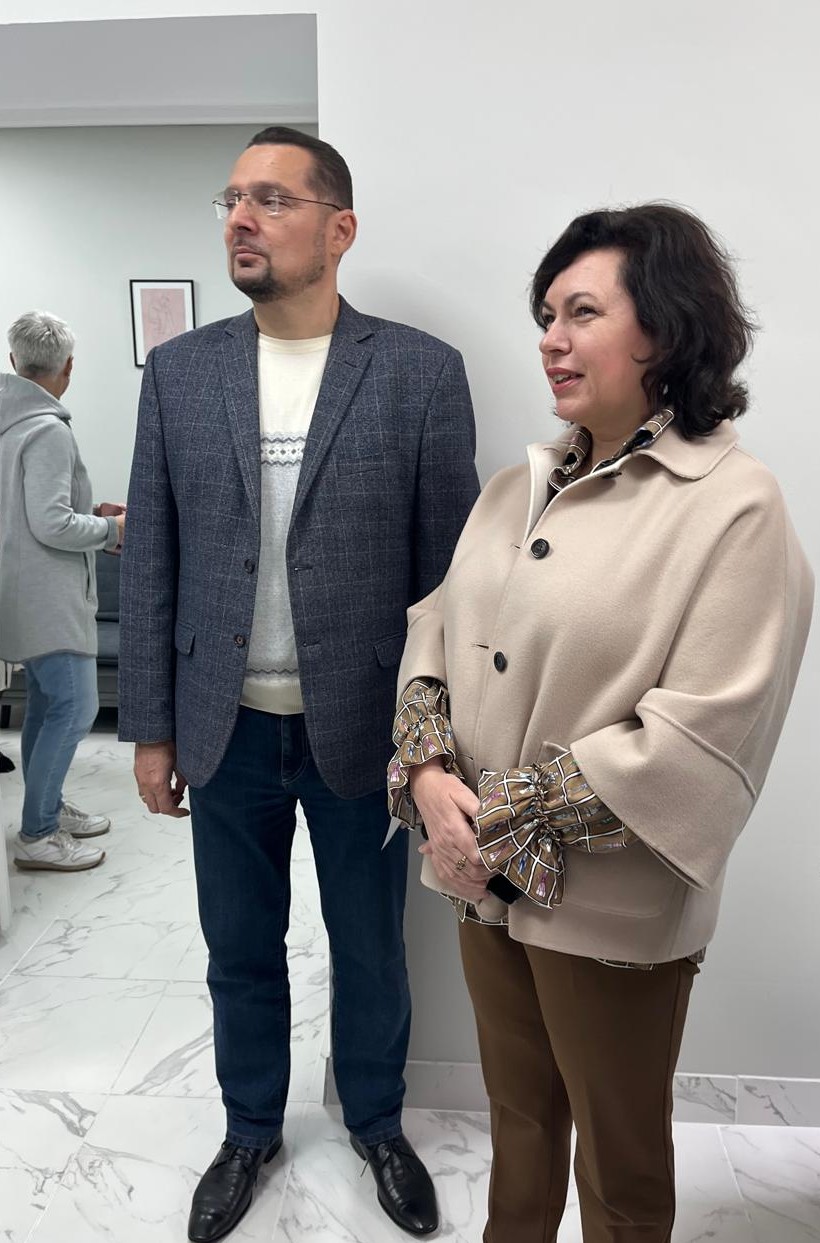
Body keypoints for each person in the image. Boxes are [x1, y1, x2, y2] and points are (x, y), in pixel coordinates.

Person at [389, 204, 814, 1243]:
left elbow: (701, 731)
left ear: (663, 329)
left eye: (582, 312)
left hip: (610, 905)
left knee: (619, 1170)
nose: (551, 337)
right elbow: (434, 629)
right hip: (480, 882)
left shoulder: (732, 506)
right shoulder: (516, 486)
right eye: (546, 314)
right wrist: (429, 773)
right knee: (519, 1126)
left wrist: (487, 819)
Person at [118, 125, 480, 1242]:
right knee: (239, 948)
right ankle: (248, 1129)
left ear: (339, 228)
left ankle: (377, 1121)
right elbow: (152, 556)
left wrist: (434, 742)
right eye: (232, 198)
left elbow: (448, 582)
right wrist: (150, 728)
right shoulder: (182, 373)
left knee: (371, 948)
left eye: (271, 199)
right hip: (220, 725)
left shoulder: (417, 371)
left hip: (366, 730)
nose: (241, 217)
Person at [0, 311, 125, 872]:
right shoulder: (47, 429)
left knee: (46, 705)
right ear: (68, 367)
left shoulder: (12, 423)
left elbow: (29, 511)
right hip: (49, 596)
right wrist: (112, 529)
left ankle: (44, 808)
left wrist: (90, 511)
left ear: (13, 361)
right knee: (76, 708)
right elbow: (50, 524)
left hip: (21, 591)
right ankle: (39, 833)